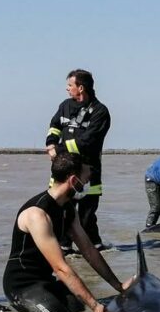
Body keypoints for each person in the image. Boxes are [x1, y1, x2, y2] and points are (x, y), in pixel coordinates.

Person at [3, 151, 129, 312]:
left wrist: (119, 286)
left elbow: (89, 251)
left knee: (79, 309)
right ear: (73, 181)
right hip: (22, 286)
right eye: (85, 180)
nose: (87, 184)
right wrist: (95, 305)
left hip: (46, 281)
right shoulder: (37, 214)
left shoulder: (67, 209)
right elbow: (61, 268)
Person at [45, 69, 111, 252]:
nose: (67, 89)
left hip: (89, 172)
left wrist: (57, 149)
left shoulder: (100, 112)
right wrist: (50, 143)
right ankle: (64, 248)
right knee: (62, 212)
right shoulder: (65, 105)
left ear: (80, 88)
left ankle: (94, 248)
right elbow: (54, 126)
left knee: (86, 216)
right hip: (63, 170)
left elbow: (88, 141)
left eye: (70, 85)